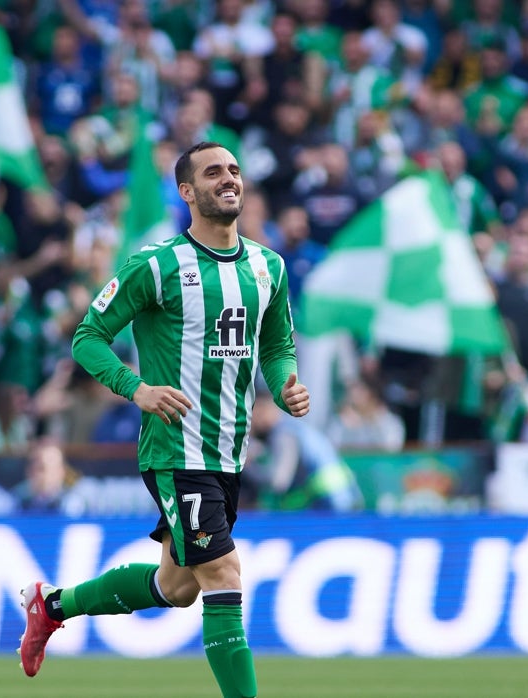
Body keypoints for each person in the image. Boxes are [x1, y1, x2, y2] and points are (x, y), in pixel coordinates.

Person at [18, 142, 310, 698]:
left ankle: (50, 605)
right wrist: (138, 389)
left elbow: (276, 346)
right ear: (187, 192)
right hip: (177, 452)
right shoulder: (157, 265)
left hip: (229, 453)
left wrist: (286, 383)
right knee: (224, 575)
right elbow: (88, 338)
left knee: (176, 588)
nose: (228, 178)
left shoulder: (267, 266)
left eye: (234, 170)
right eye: (212, 172)